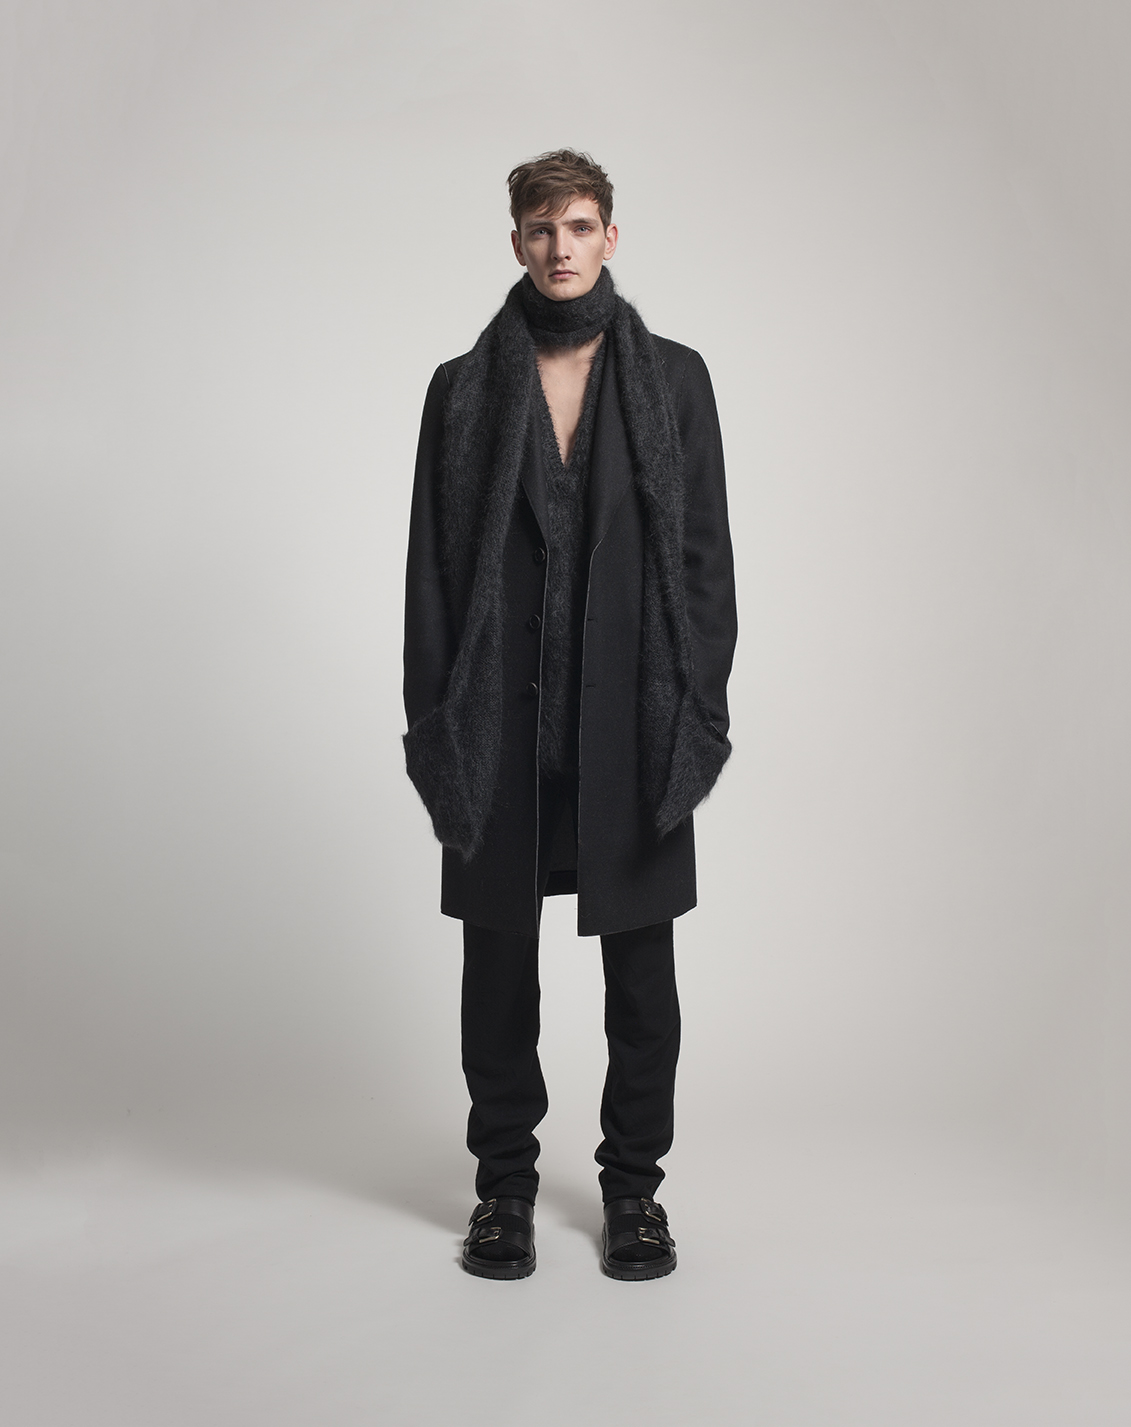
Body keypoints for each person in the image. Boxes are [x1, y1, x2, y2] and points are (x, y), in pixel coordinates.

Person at [403, 150, 737, 1280]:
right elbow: (430, 579)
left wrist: (696, 714)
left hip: (633, 727)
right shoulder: (460, 389)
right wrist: (437, 729)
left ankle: (634, 1191)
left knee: (642, 977)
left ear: (610, 237)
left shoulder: (674, 379)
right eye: (542, 228)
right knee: (497, 972)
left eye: (580, 225)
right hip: (495, 726)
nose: (560, 247)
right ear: (516, 242)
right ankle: (502, 1190)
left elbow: (705, 565)